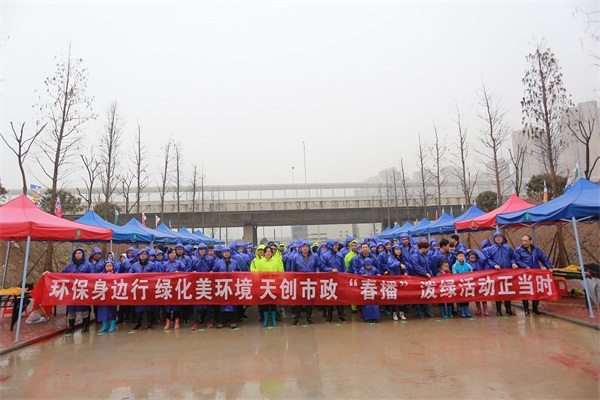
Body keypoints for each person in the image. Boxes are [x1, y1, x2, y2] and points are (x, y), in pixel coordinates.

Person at [515, 235, 553, 316]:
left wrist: (549, 267)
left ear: (530, 241)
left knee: (536, 291)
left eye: (526, 241)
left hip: (535, 273)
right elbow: (517, 260)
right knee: (525, 291)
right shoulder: (518, 250)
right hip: (525, 274)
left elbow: (543, 258)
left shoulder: (536, 249)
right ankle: (526, 310)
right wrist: (525, 266)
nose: (524, 243)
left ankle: (535, 309)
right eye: (523, 241)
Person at [484, 232, 518, 316]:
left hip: (507, 272)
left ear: (502, 238)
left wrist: (513, 263)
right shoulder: (491, 249)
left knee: (508, 291)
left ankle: (508, 309)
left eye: (500, 237)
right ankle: (498, 310)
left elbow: (513, 257)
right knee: (498, 291)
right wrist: (494, 265)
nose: (498, 239)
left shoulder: (508, 248)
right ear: (494, 239)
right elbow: (488, 259)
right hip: (497, 273)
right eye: (497, 237)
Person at [61, 248, 93, 334]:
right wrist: (50, 274)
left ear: (83, 254)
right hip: (72, 291)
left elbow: (92, 277)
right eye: (76, 253)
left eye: (79, 253)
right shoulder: (71, 265)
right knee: (71, 308)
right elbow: (62, 274)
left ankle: (85, 325)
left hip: (83, 290)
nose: (78, 255)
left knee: (84, 308)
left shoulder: (88, 265)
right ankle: (71, 326)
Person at [289, 240, 321, 325]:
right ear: (301, 248)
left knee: (309, 300)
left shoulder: (314, 257)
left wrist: (317, 271)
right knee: (299, 300)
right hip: (300, 281)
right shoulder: (295, 257)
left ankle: (309, 317)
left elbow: (317, 266)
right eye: (303, 247)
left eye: (306, 246)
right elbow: (293, 270)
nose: (305, 248)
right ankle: (296, 317)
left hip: (310, 281)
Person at [254, 246, 285, 327]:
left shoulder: (276, 261)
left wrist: (279, 281)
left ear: (272, 253)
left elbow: (280, 272)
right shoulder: (260, 262)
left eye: (269, 251)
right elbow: (257, 273)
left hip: (274, 285)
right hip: (264, 285)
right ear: (264, 253)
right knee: (265, 303)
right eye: (266, 251)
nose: (268, 253)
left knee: (273, 303)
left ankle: (274, 320)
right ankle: (265, 320)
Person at [213, 246, 241, 329]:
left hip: (232, 285)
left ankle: (233, 321)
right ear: (222, 253)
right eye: (225, 252)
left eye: (228, 252)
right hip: (222, 285)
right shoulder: (218, 262)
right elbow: (214, 272)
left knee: (233, 303)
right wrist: (219, 274)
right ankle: (222, 321)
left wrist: (235, 273)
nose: (226, 253)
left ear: (230, 253)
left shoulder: (235, 262)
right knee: (222, 303)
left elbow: (240, 272)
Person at [131, 247, 159, 330]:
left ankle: (150, 323)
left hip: (148, 288)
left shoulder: (152, 264)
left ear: (147, 255)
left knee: (149, 306)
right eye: (142, 254)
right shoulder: (135, 265)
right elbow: (130, 274)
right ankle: (138, 323)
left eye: (145, 254)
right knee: (138, 306)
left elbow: (155, 275)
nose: (143, 256)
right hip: (138, 288)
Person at [321, 240, 347, 322]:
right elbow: (322, 267)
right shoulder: (325, 255)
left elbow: (343, 267)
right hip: (329, 280)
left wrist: (344, 276)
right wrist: (330, 270)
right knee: (330, 298)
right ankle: (329, 316)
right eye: (334, 245)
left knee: (340, 297)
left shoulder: (340, 255)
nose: (336, 247)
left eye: (337, 245)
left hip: (339, 279)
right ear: (330, 246)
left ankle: (341, 315)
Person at [191, 243, 216, 329]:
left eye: (203, 249)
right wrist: (193, 272)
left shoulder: (210, 259)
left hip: (208, 283)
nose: (202, 251)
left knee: (208, 303)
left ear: (206, 250)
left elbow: (214, 268)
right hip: (197, 284)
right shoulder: (194, 260)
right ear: (198, 251)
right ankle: (195, 322)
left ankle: (209, 321)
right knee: (196, 304)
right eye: (200, 249)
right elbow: (190, 269)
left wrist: (212, 272)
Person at [410, 241, 435, 318]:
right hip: (417, 277)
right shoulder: (415, 256)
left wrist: (429, 273)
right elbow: (416, 266)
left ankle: (427, 311)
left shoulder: (424, 255)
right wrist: (425, 273)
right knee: (418, 295)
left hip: (424, 277)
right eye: (427, 248)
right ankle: (419, 312)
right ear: (423, 248)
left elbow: (427, 265)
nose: (428, 250)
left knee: (425, 295)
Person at [162, 248, 185, 330]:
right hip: (167, 286)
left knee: (176, 304)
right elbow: (160, 274)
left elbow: (186, 272)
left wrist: (179, 273)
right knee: (167, 305)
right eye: (170, 253)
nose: (172, 254)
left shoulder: (179, 263)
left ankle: (176, 321)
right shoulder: (165, 264)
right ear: (168, 254)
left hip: (177, 286)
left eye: (173, 253)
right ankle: (168, 321)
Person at [387, 244, 408, 320]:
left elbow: (406, 266)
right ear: (393, 251)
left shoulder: (402, 258)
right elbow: (391, 265)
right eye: (397, 250)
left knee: (402, 297)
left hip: (402, 280)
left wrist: (406, 271)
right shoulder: (391, 258)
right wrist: (399, 264)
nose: (398, 251)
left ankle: (402, 313)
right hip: (394, 280)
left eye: (399, 250)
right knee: (394, 297)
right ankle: (394, 313)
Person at [97, 261, 118, 333]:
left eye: (110, 266)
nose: (109, 267)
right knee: (103, 310)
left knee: (112, 310)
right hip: (103, 294)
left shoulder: (116, 275)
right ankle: (104, 326)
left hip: (112, 295)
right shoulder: (101, 275)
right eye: (107, 266)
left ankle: (112, 325)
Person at [358, 258, 381, 323]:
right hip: (366, 289)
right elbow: (359, 277)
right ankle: (367, 317)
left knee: (375, 304)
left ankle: (375, 317)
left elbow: (378, 274)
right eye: (367, 265)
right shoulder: (362, 270)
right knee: (367, 304)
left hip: (373, 288)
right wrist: (362, 276)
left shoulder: (374, 269)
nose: (368, 266)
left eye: (370, 265)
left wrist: (378, 275)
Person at [468, 250, 489, 316]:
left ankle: (485, 309)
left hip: (480, 280)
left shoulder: (479, 262)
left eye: (474, 258)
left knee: (483, 295)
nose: (472, 259)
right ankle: (478, 309)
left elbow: (483, 258)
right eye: (471, 258)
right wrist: (468, 251)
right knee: (476, 296)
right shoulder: (468, 262)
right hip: (473, 281)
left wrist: (475, 250)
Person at [452, 251, 473, 318]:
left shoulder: (468, 265)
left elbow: (472, 274)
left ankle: (466, 312)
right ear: (457, 257)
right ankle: (462, 312)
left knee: (467, 298)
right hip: (460, 285)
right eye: (460, 256)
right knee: (461, 298)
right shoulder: (454, 266)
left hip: (467, 284)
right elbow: (454, 275)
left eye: (462, 256)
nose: (461, 257)